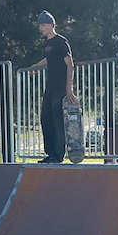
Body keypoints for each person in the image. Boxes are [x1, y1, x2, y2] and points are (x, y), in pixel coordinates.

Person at [27, 11, 77, 163]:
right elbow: (49, 59)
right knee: (45, 119)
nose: (40, 28)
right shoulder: (48, 44)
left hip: (60, 88)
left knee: (57, 121)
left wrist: (69, 88)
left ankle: (58, 155)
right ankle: (50, 153)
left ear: (52, 25)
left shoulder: (60, 41)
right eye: (39, 25)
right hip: (50, 87)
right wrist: (37, 65)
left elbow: (70, 64)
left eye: (43, 25)